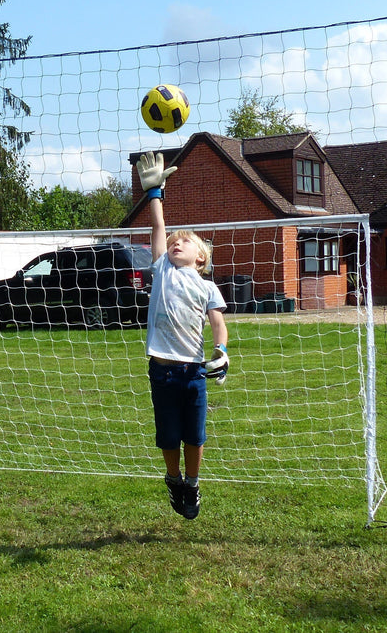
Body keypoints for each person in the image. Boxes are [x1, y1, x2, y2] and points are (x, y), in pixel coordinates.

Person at [135, 151, 229, 520]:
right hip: (162, 371)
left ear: (201, 257)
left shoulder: (207, 287)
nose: (176, 243)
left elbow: (218, 322)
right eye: (174, 241)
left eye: (185, 242)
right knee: (167, 435)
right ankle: (172, 477)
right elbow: (159, 230)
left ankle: (192, 481)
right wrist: (155, 192)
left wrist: (221, 350)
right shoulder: (162, 270)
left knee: (195, 435)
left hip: (194, 372)